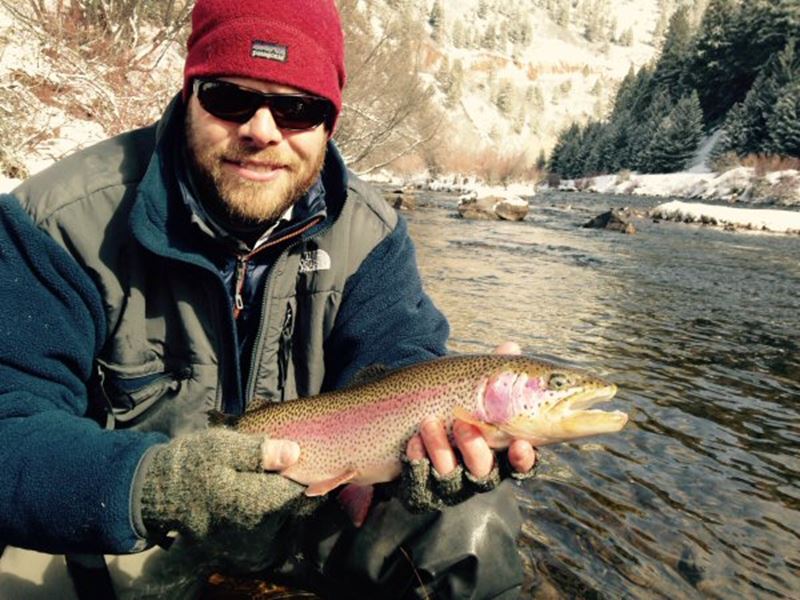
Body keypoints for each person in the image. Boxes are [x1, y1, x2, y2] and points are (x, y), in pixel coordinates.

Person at [0, 0, 537, 597]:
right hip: (134, 516)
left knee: (469, 529)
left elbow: (399, 357)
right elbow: (9, 423)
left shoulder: (371, 235)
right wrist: (155, 485)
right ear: (188, 95)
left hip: (308, 505)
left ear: (329, 123)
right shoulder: (54, 224)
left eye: (297, 108)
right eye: (230, 97)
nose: (261, 129)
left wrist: (429, 446)